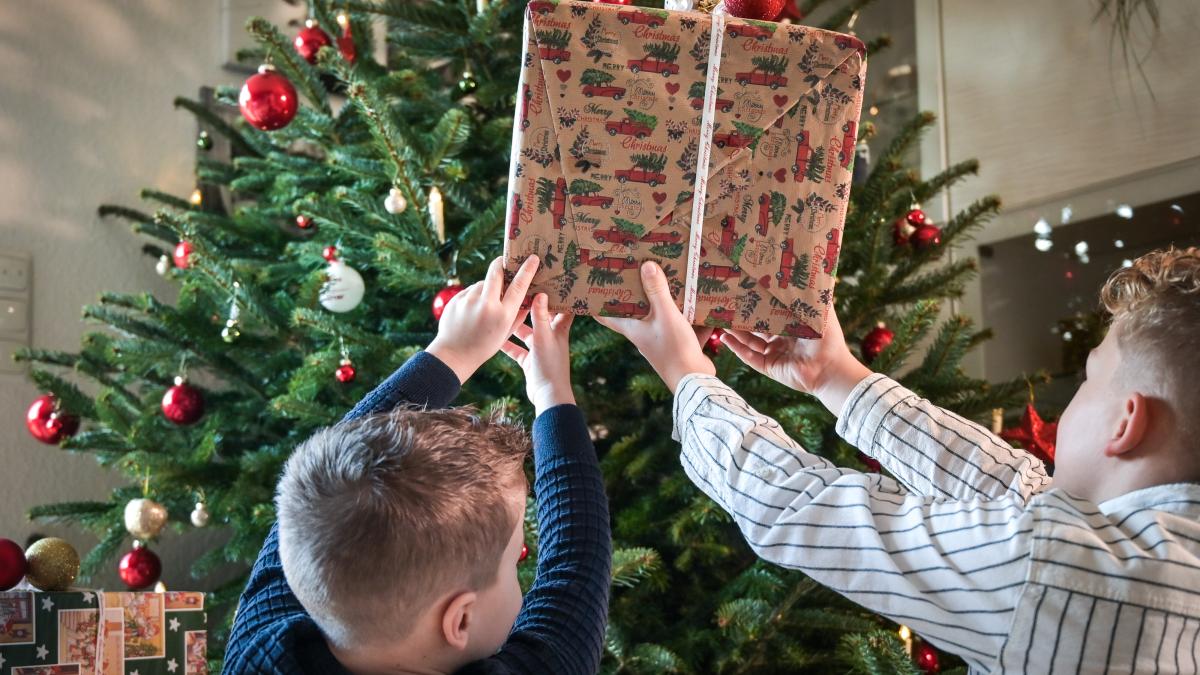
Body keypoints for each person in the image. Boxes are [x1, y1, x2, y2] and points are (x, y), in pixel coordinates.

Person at [599, 249, 1200, 673]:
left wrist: (686, 375)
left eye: (1087, 383)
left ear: (1125, 423)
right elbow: (1016, 491)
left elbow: (801, 507)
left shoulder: (1073, 572)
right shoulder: (1168, 551)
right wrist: (836, 377)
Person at [224, 256, 612, 675]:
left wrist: (450, 353)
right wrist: (546, 385)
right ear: (459, 619)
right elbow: (576, 567)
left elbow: (330, 485)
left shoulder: (259, 651)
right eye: (514, 560)